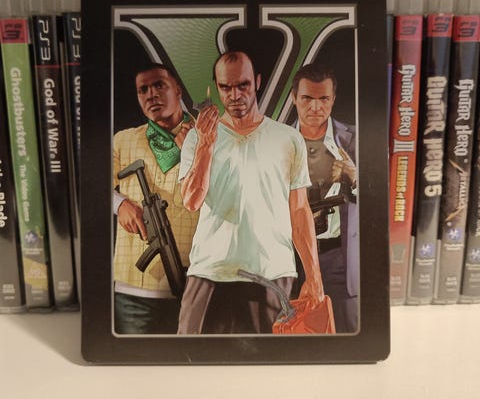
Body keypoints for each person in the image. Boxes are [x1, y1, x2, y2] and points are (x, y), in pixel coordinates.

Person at [177, 51, 324, 334]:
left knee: (268, 359)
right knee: (190, 357)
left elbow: (299, 210)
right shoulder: (197, 137)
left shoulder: (288, 138)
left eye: (242, 85)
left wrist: (314, 276)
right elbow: (192, 201)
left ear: (257, 81)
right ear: (216, 87)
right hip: (209, 271)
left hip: (271, 273)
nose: (235, 95)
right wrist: (206, 144)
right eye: (226, 87)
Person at [113, 63, 198, 334]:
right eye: (143, 90)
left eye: (159, 85)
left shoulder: (209, 139)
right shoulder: (123, 140)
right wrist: (120, 204)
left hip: (195, 287)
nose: (151, 95)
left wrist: (198, 153)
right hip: (133, 292)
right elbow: (91, 185)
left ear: (178, 90)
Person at [291, 63, 358, 333]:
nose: (315, 107)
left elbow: (386, 201)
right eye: (307, 98)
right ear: (294, 98)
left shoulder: (356, 140)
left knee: (345, 334)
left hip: (338, 257)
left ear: (333, 99)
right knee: (291, 340)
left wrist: (355, 177)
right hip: (290, 258)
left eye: (323, 99)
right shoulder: (276, 141)